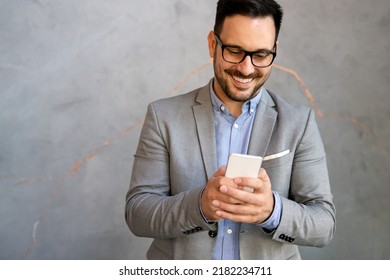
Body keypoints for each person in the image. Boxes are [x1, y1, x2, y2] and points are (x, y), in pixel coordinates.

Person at [125, 0, 336, 260]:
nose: (246, 69)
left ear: (274, 50)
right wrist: (201, 205)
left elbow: (324, 225)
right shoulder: (163, 116)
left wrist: (272, 210)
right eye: (234, 51)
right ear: (213, 44)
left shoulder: (299, 123)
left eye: (260, 55)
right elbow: (137, 214)